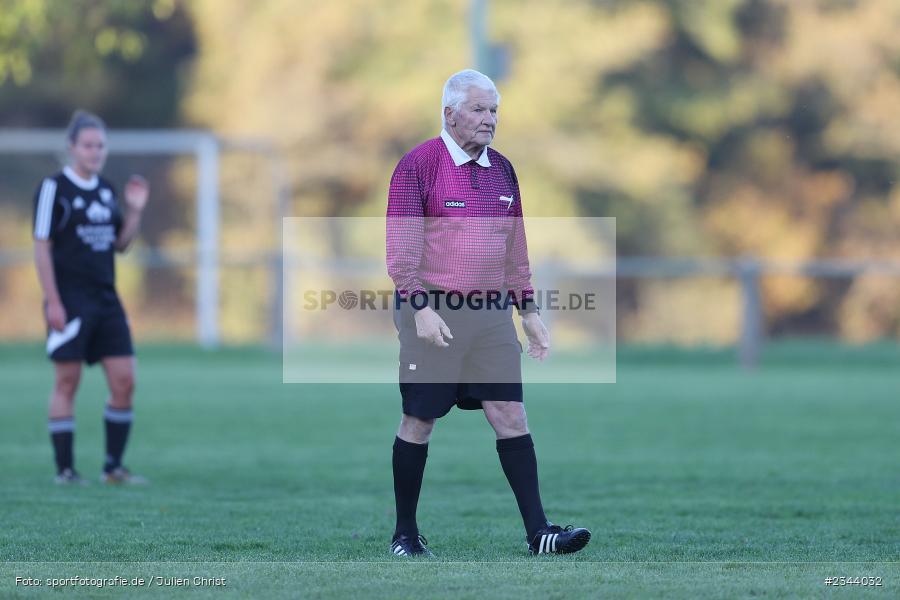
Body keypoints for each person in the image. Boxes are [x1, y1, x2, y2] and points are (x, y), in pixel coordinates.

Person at [385, 70, 591, 556]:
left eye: (494, 110)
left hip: (491, 313)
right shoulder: (418, 166)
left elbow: (515, 250)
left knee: (510, 413)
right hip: (432, 310)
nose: (489, 119)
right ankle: (405, 535)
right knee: (419, 420)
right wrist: (420, 308)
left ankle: (539, 533)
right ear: (449, 113)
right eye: (478, 110)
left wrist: (529, 311)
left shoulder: (503, 170)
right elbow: (400, 252)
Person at [33, 110, 149, 485]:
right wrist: (53, 301)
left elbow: (120, 245)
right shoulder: (55, 189)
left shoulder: (105, 190)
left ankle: (113, 467)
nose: (95, 151)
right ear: (72, 147)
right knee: (67, 381)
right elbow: (41, 247)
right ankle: (65, 470)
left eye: (100, 145)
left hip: (106, 299)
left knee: (125, 380)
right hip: (70, 299)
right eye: (88, 145)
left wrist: (134, 211)